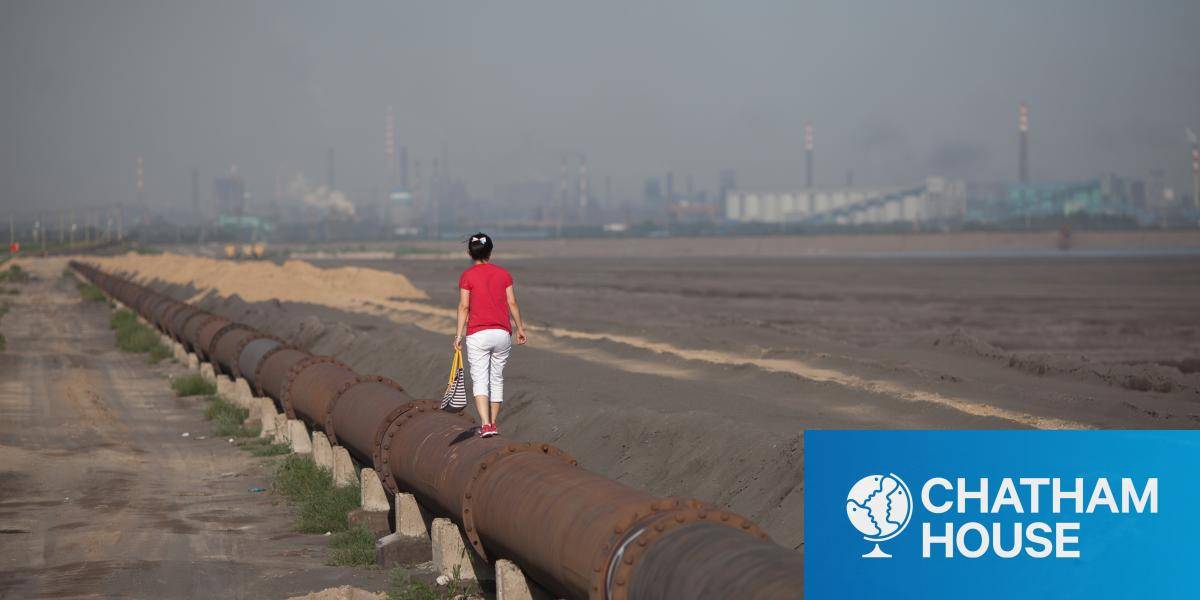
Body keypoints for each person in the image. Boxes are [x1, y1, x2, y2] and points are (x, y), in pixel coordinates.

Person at [454, 232, 527, 437]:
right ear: (491, 251)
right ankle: (494, 423)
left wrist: (458, 335)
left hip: (478, 334)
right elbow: (512, 302)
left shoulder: (467, 276)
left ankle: (485, 425)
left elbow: (463, 306)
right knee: (496, 378)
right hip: (502, 333)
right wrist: (520, 328)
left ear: (470, 252)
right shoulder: (504, 274)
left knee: (479, 379)